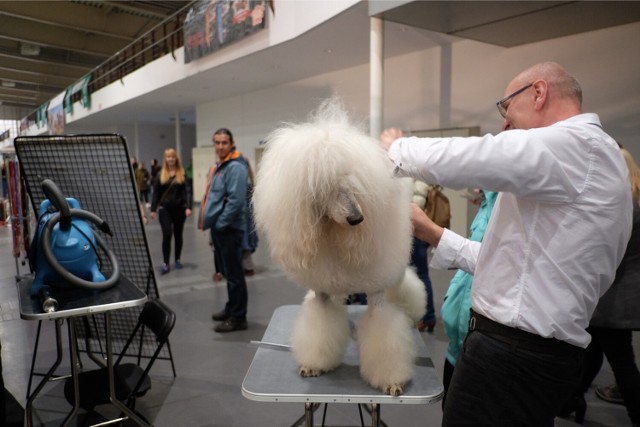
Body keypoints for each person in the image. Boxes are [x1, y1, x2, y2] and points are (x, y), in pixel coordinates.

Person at [380, 61, 632, 426]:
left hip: (513, 359)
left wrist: (396, 147)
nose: (504, 122)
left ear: (539, 93)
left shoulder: (578, 146)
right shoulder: (579, 164)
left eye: (506, 106)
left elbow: (475, 155)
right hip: (520, 356)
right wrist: (434, 233)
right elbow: (506, 262)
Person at [558, 148, 640, 426]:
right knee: (591, 355)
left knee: (622, 364)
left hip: (610, 298)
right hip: (622, 297)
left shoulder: (623, 204)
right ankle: (572, 399)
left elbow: (606, 253)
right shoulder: (636, 200)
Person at [441, 189, 498, 405]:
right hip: (457, 345)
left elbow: (490, 262)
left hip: (481, 349)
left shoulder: (509, 202)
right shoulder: (489, 200)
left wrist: (432, 233)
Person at [200, 128, 249, 333]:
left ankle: (238, 317)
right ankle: (231, 308)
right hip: (220, 228)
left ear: (232, 143)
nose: (220, 146)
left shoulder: (235, 167)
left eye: (224, 143)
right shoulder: (220, 166)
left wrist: (220, 224)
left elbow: (236, 201)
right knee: (228, 272)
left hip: (229, 228)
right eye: (217, 143)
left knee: (235, 274)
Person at [150, 148, 192, 274]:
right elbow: (156, 193)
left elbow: (187, 192)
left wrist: (188, 207)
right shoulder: (160, 174)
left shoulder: (182, 173)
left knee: (178, 235)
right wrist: (153, 209)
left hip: (179, 209)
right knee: (167, 234)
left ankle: (177, 259)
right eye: (168, 157)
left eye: (173, 157)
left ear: (176, 158)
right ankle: (165, 263)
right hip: (165, 210)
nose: (171, 159)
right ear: (165, 159)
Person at [410, 179, 436, 332]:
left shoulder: (413, 174)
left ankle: (427, 316)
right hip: (418, 227)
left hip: (413, 227)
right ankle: (428, 317)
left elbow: (414, 202)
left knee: (420, 274)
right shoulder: (423, 174)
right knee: (423, 273)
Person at [242, 158, 258, 276]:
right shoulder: (248, 180)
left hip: (245, 216)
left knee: (245, 241)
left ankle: (248, 267)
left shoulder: (246, 181)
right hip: (246, 215)